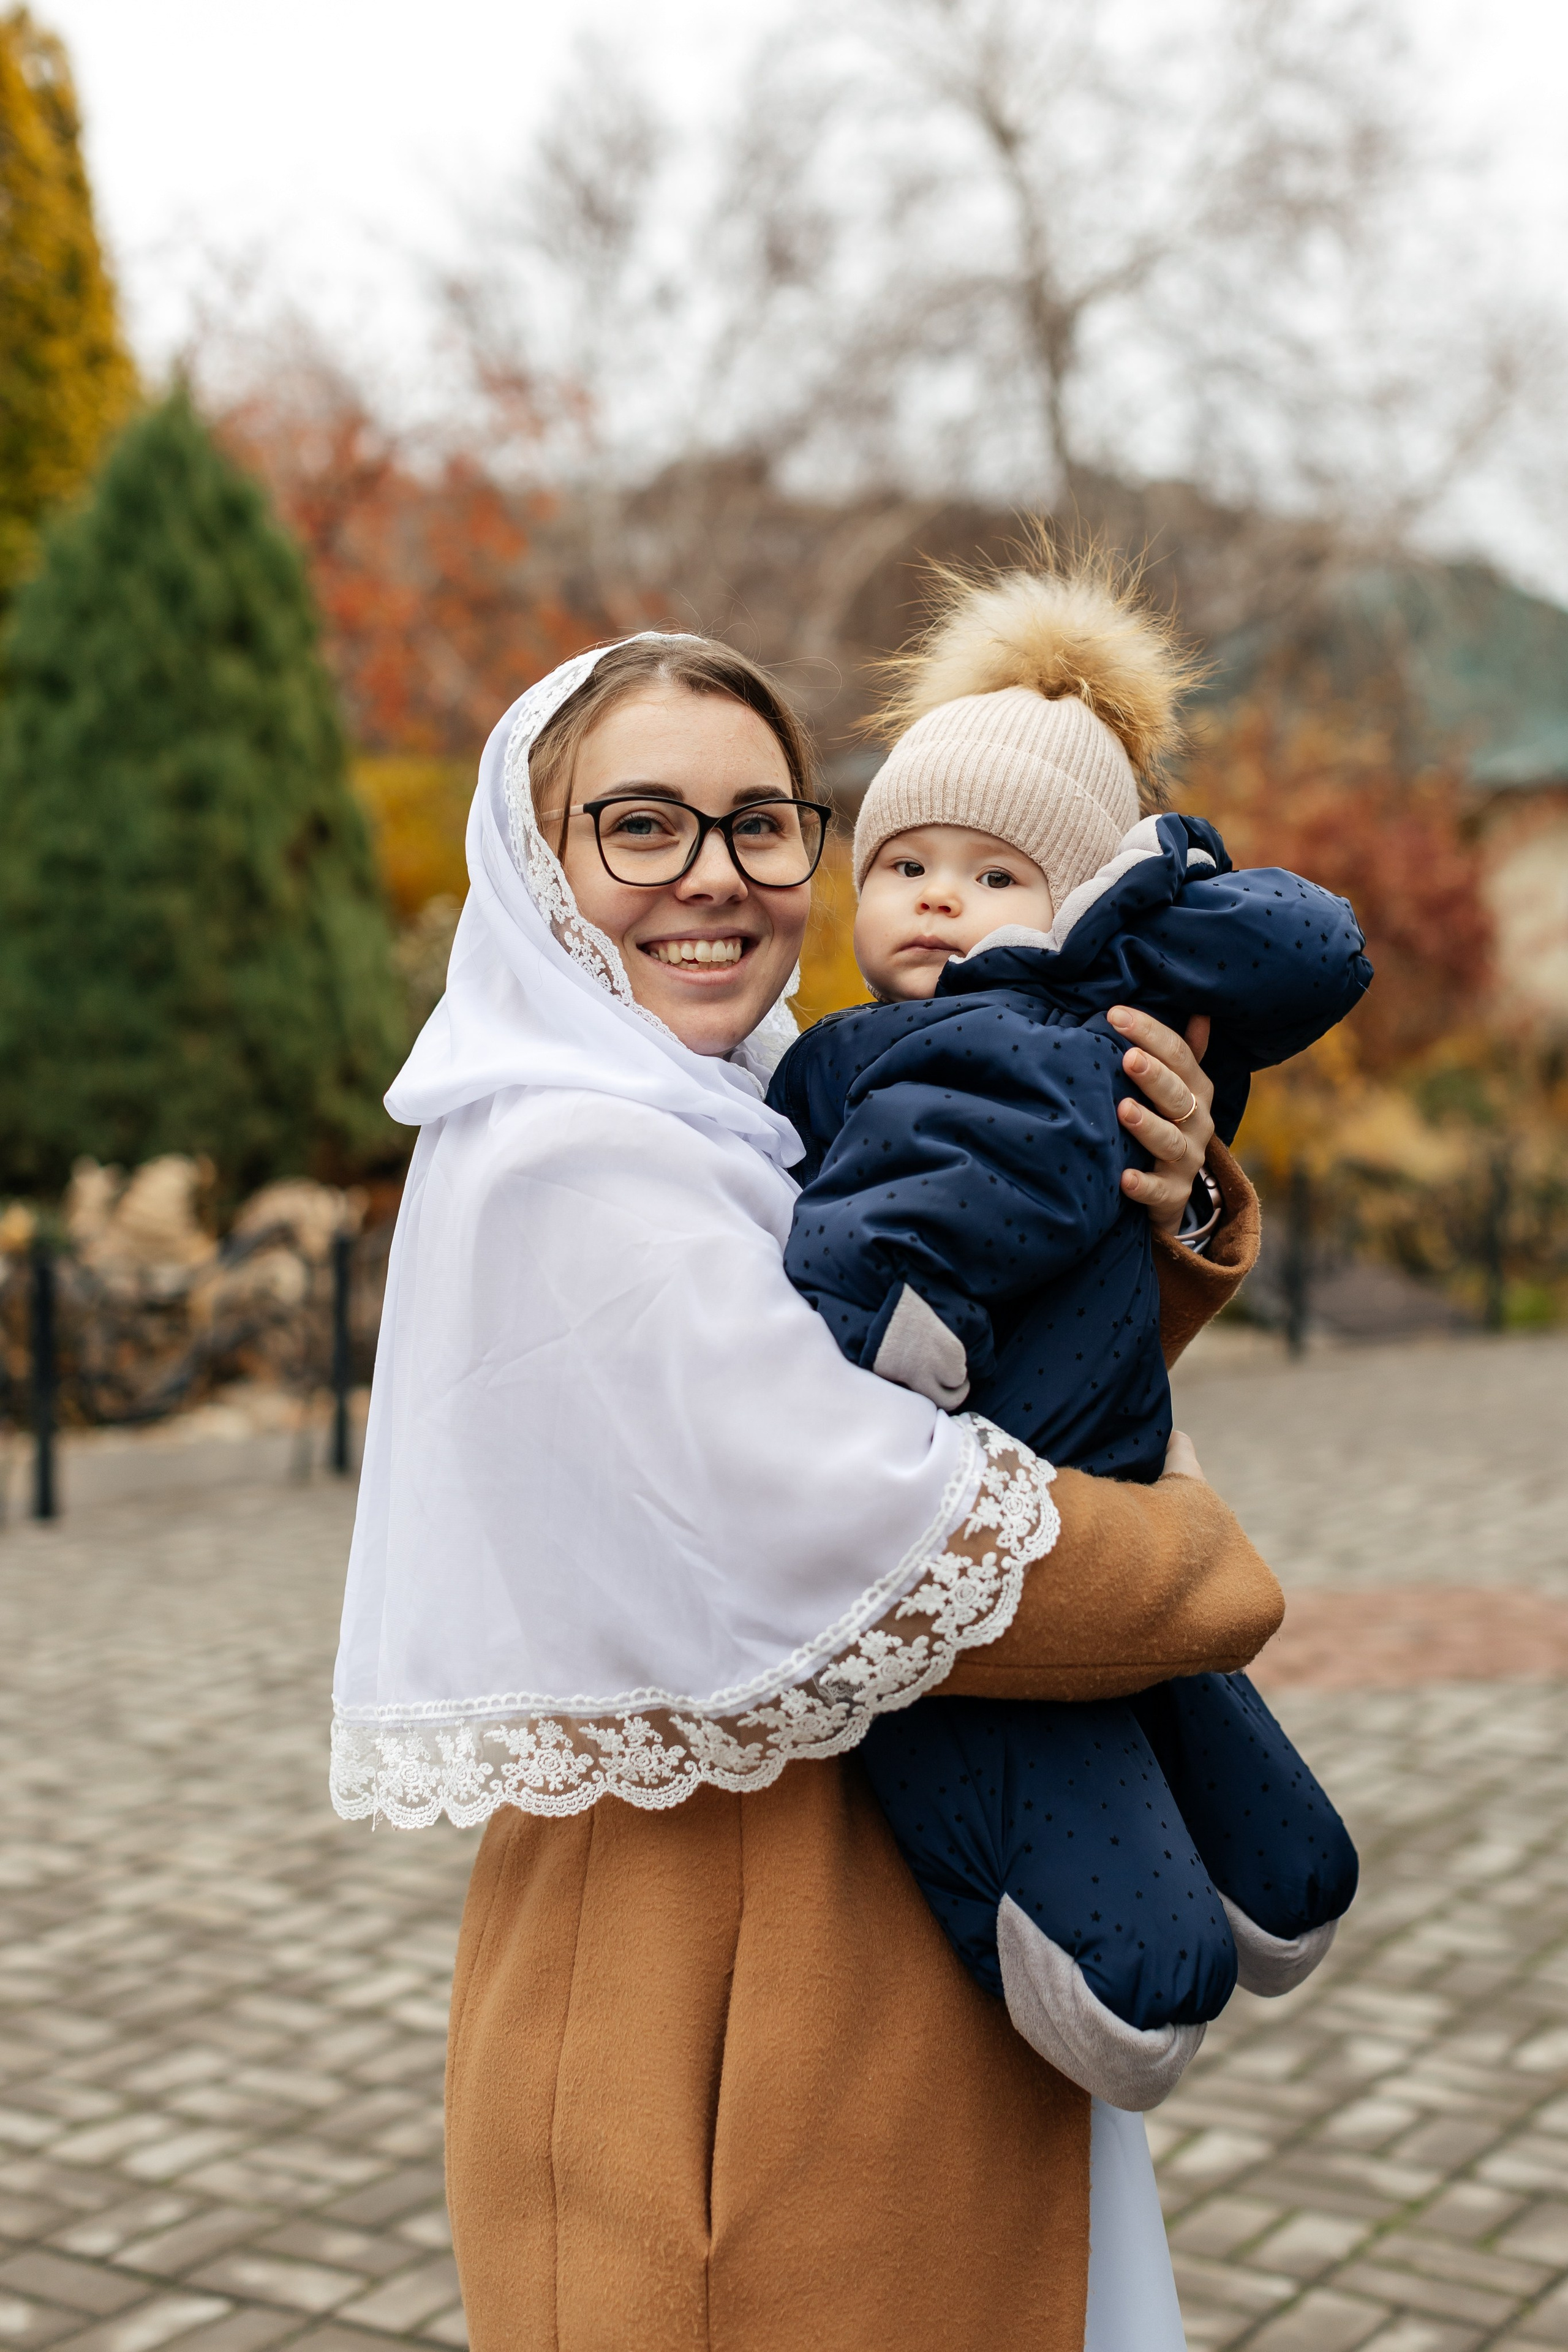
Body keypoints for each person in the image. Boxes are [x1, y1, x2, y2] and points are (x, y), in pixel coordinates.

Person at [333, 630, 1286, 2352]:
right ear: (535, 867)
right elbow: (878, 1528)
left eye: (763, 823)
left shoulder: (750, 1106)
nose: (715, 879)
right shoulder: (574, 1158)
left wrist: (1164, 1203)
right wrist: (1198, 1560)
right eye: (640, 826)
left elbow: (984, 1381)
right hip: (716, 1989)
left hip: (892, 1918)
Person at [767, 559, 1364, 2109]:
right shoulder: (858, 1059)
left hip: (1055, 1496)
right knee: (1119, 1903)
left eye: (994, 874)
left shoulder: (1051, 1036)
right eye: (904, 865)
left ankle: (1250, 1887)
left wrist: (1181, 1195)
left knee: (1227, 1827)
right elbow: (901, 1238)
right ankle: (1185, 1920)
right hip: (968, 1556)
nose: (941, 900)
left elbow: (1299, 961)